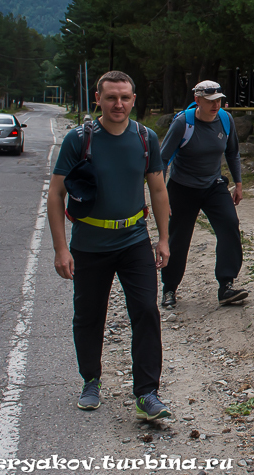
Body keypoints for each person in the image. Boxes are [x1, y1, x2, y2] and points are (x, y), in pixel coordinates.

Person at [47, 71, 172, 420]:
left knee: (146, 311)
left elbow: (158, 190)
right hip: (89, 243)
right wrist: (61, 248)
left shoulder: (146, 138)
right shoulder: (79, 139)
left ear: (134, 100)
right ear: (98, 99)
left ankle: (147, 393)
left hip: (133, 240)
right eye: (112, 97)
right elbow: (56, 195)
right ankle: (91, 380)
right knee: (89, 316)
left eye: (125, 97)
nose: (119, 104)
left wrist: (163, 238)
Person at [158, 80, 248, 309]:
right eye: (209, 101)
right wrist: (161, 195)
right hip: (182, 187)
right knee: (179, 238)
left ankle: (226, 285)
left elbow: (233, 152)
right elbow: (163, 159)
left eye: (218, 100)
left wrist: (238, 183)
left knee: (229, 224)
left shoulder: (225, 120)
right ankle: (169, 288)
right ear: (197, 100)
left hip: (212, 185)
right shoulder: (183, 123)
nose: (215, 104)